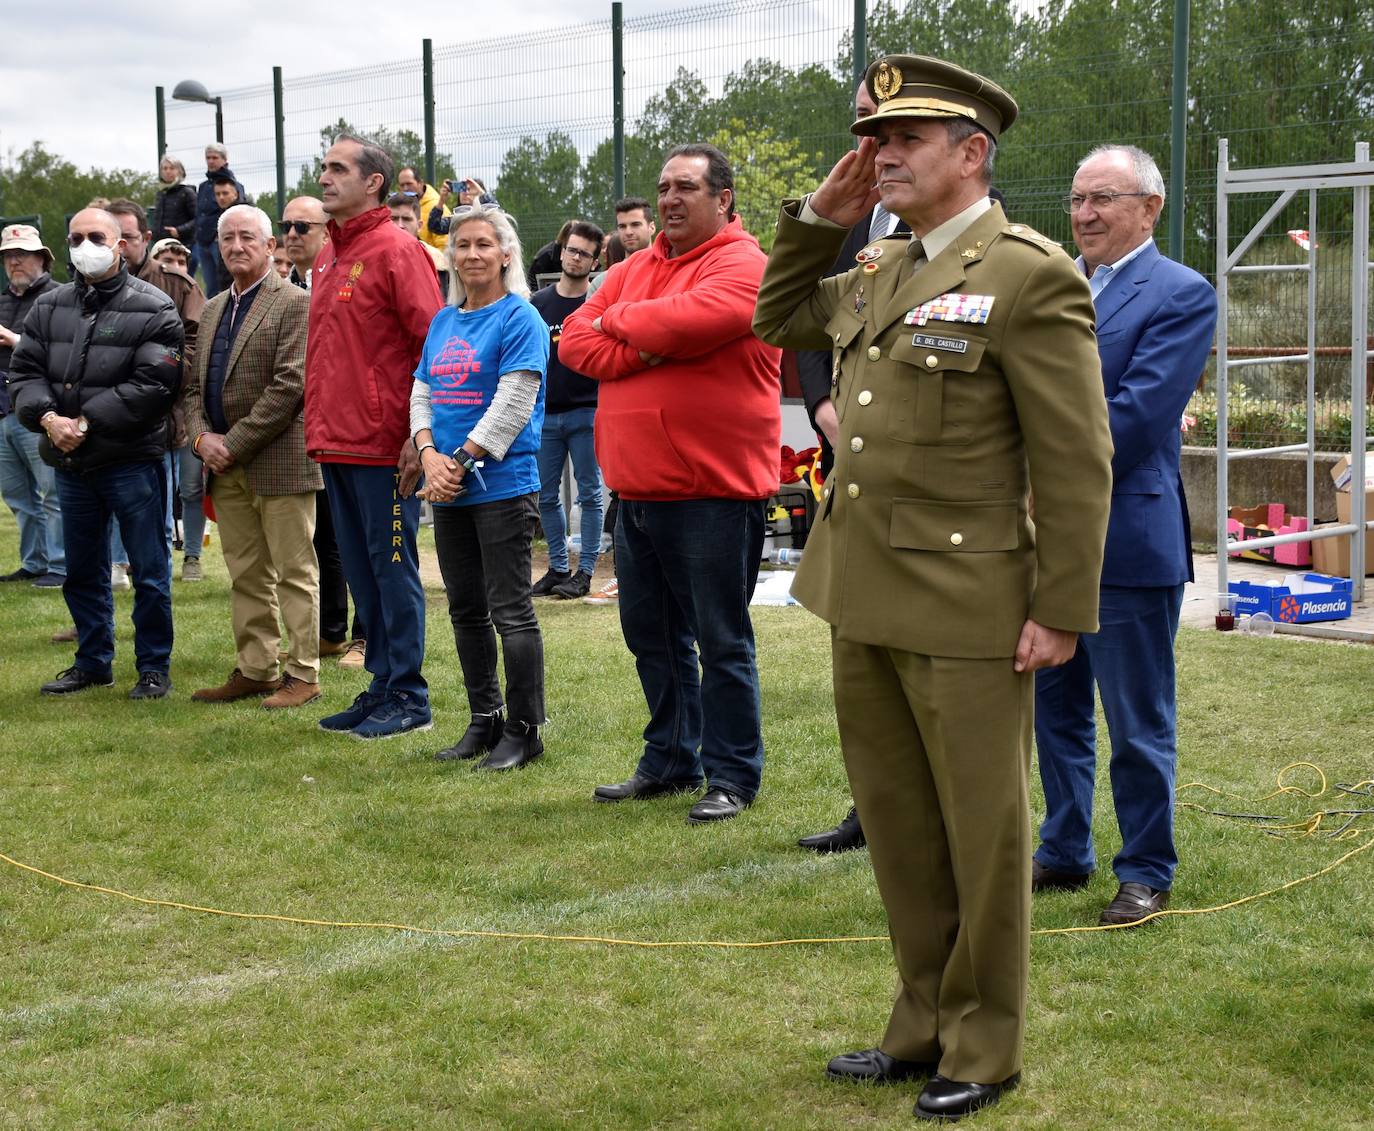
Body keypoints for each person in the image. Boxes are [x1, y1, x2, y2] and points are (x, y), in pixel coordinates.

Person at [752, 55, 1113, 1121]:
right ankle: (920, 1020)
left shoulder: (1029, 270)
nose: (882, 152)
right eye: (876, 136)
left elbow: (1075, 457)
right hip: (862, 589)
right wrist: (823, 213)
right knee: (901, 824)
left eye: (906, 137)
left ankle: (985, 1043)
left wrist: (1060, 608)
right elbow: (779, 318)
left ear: (973, 154)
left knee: (983, 835)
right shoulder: (881, 264)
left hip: (970, 602)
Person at [560, 143, 781, 825]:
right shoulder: (634, 266)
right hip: (638, 491)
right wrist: (644, 334)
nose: (669, 199)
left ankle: (733, 773)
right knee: (650, 636)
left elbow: (692, 320)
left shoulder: (747, 264)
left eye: (686, 186)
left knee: (720, 639)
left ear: (724, 198)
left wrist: (618, 319)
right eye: (662, 187)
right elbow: (572, 341)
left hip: (714, 491)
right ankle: (670, 757)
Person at [1032, 144, 1217, 927]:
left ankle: (1145, 869)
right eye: (1077, 198)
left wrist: (1021, 463)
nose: (1084, 214)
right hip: (1042, 539)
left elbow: (1135, 419)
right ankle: (1062, 848)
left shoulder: (1181, 293)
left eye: (1104, 198)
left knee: (1136, 720)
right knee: (1055, 706)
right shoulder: (1052, 282)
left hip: (1127, 540)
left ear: (1150, 208)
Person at [793, 81, 907, 856]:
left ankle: (913, 808)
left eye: (888, 120)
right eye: (863, 117)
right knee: (859, 657)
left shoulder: (980, 227)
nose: (871, 134)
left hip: (921, 485)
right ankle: (869, 805)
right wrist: (822, 406)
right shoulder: (853, 221)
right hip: (850, 458)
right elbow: (796, 320)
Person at [10, 207, 183, 700]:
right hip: (70, 463)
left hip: (131, 461)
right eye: (76, 237)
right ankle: (92, 661)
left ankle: (153, 667)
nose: (86, 245)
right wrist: (48, 419)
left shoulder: (154, 307)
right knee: (82, 570)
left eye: (96, 236)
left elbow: (154, 384)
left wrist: (83, 423)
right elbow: (24, 373)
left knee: (149, 572)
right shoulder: (49, 306)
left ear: (121, 244)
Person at [306, 133, 443, 739]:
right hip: (335, 442)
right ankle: (382, 687)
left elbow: (430, 346)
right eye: (325, 167)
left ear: (374, 182)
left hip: (385, 446)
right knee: (363, 575)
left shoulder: (397, 249)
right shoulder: (326, 256)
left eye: (338, 169)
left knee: (392, 570)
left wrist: (419, 434)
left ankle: (411, 697)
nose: (325, 177)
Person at [414, 207, 549, 770]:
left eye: (482, 245)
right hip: (448, 487)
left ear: (505, 254)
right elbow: (421, 392)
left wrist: (458, 463)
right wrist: (427, 455)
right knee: (465, 611)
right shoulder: (443, 322)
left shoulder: (522, 318)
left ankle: (525, 730)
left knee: (510, 611)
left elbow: (514, 402)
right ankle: (483, 720)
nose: (470, 254)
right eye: (461, 246)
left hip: (500, 487)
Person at [185, 204, 323, 710]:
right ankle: (257, 668)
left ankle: (303, 673)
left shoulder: (295, 303)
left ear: (271, 247)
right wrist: (201, 440)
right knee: (245, 573)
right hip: (223, 465)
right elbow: (191, 389)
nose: (236, 245)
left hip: (280, 461)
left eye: (248, 237)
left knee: (293, 571)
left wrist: (231, 443)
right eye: (227, 238)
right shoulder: (214, 306)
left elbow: (291, 385)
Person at [279, 195, 363, 669]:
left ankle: (366, 636)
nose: (292, 234)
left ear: (327, 229)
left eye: (302, 227)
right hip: (308, 434)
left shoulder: (347, 273)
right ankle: (331, 630)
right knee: (325, 538)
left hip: (352, 428)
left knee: (361, 542)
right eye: (287, 226)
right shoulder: (287, 285)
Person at [107, 198, 208, 583]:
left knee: (178, 495)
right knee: (119, 497)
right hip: (113, 418)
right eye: (109, 238)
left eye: (126, 238)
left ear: (145, 238)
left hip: (172, 414)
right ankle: (117, 568)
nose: (117, 247)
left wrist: (154, 380)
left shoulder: (176, 285)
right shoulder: (87, 289)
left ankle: (175, 568)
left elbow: (197, 345)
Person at [583, 196, 660, 607]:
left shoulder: (671, 270)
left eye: (636, 224)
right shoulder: (605, 282)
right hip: (617, 401)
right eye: (622, 226)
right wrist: (640, 346)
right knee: (620, 494)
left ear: (652, 226)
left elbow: (672, 329)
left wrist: (626, 327)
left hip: (664, 403)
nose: (629, 232)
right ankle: (623, 577)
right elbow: (584, 339)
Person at [529, 219, 605, 600]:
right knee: (545, 495)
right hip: (545, 415)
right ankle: (558, 568)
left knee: (589, 494)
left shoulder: (598, 305)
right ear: (561, 252)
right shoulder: (537, 304)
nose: (575, 258)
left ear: (595, 262)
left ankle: (585, 571)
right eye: (571, 250)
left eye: (584, 254)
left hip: (589, 412)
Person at [0, 224, 64, 587]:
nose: (14, 262)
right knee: (17, 496)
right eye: (9, 256)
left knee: (53, 493)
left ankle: (59, 564)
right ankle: (34, 561)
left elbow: (63, 351)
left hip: (41, 410)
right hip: (3, 410)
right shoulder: (2, 299)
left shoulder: (59, 297)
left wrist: (16, 340)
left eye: (21, 255)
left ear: (41, 258)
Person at [195, 143, 246, 298]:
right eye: (208, 158)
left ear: (224, 160)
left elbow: (238, 210)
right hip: (202, 241)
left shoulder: (233, 184)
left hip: (220, 240)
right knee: (210, 285)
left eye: (214, 158)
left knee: (227, 282)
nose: (210, 161)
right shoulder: (203, 187)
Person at [387, 192, 449, 287]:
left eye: (406, 219)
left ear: (419, 226)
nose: (400, 225)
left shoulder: (437, 261)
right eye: (393, 219)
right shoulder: (373, 259)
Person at [427, 177, 498, 241]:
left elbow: (498, 217)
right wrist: (441, 201)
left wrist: (482, 194)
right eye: (463, 188)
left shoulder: (487, 218)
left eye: (470, 189)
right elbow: (434, 226)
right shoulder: (457, 219)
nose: (465, 193)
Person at [150, 156, 198, 250]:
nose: (168, 171)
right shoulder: (161, 193)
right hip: (161, 244)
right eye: (165, 168)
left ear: (179, 171)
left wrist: (179, 230)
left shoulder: (187, 192)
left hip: (183, 244)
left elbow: (198, 218)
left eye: (172, 168)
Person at [395, 166, 448, 252]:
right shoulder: (400, 207)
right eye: (402, 185)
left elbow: (444, 246)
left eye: (409, 184)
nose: (405, 188)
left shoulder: (437, 206)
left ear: (420, 183)